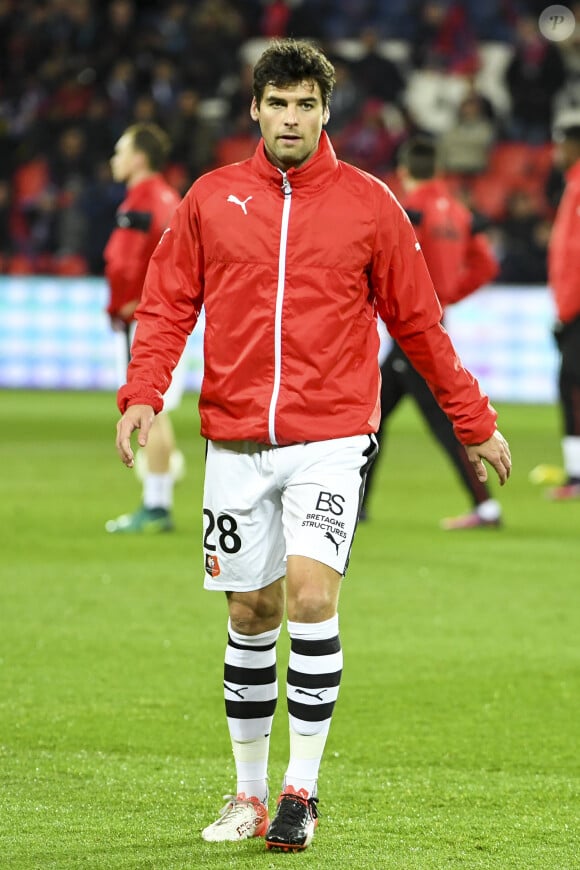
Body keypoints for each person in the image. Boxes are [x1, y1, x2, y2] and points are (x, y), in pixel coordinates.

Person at [113, 40, 511, 852]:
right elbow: (166, 306)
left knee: (310, 597)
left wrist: (473, 422)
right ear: (254, 108)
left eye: (305, 105)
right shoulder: (210, 199)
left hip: (332, 438)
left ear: (325, 112)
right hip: (233, 443)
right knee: (250, 612)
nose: (291, 118)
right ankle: (248, 794)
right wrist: (143, 394)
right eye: (277, 103)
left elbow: (420, 325)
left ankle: (302, 789)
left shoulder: (369, 205)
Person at [361, 135, 502, 530]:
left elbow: (396, 267)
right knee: (371, 417)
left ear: (404, 171)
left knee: (432, 422)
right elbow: (486, 265)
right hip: (435, 324)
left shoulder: (409, 211)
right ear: (437, 170)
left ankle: (486, 508)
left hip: (414, 333)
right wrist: (450, 294)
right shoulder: (458, 213)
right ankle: (357, 506)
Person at [104, 122, 186, 534]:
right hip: (174, 314)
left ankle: (156, 504)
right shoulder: (169, 196)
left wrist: (124, 303)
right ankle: (160, 494)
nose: (114, 159)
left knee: (148, 409)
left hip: (152, 319)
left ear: (138, 158)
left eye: (120, 151)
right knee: (162, 412)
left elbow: (125, 262)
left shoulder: (142, 199)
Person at [544, 123, 580, 500]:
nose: (556, 153)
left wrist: (567, 310)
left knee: (571, 385)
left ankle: (577, 475)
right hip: (571, 307)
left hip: (577, 310)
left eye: (561, 146)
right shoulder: (572, 184)